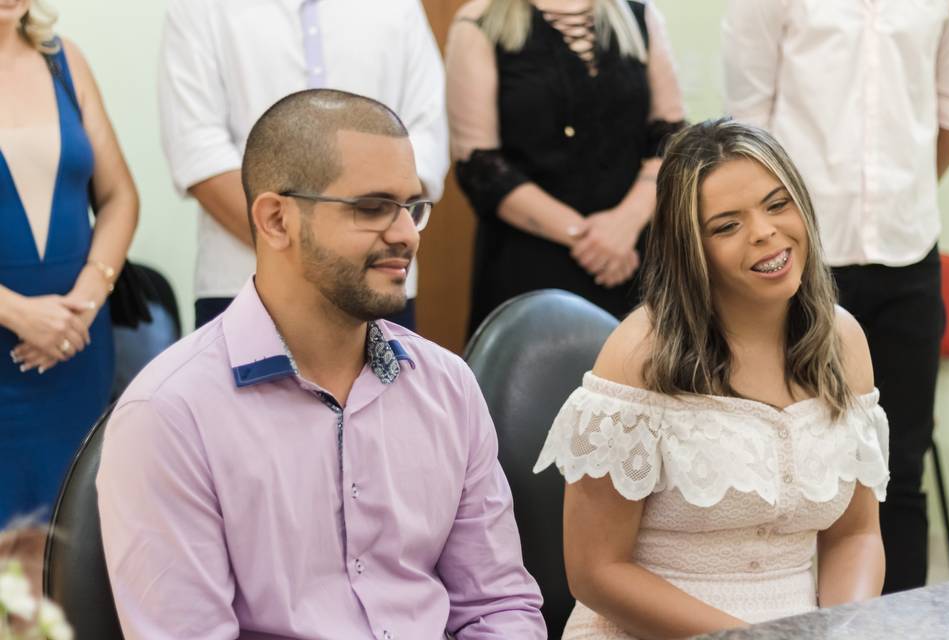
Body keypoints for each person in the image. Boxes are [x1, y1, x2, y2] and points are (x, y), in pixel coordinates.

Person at [97, 89, 547, 640]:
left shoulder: (447, 385)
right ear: (277, 220)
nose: (406, 233)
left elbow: (497, 606)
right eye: (372, 207)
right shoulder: (169, 414)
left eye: (412, 207)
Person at [534, 119, 890, 638]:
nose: (765, 232)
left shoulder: (844, 340)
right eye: (727, 226)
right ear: (689, 250)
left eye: (777, 204)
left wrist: (840, 626)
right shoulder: (640, 353)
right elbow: (596, 571)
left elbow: (855, 534)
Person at [723, 0, 949, 593]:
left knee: (899, 468)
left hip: (907, 248)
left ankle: (899, 626)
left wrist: (894, 197)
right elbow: (747, 129)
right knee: (792, 466)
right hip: (797, 260)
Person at [158, 0, 448, 330]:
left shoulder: (398, 7)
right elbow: (199, 153)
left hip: (379, 279)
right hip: (244, 281)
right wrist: (314, 255)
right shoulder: (199, 9)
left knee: (391, 382)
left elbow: (427, 142)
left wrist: (350, 245)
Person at [446, 0, 684, 331]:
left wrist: (624, 224)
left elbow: (672, 139)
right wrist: (586, 238)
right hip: (531, 264)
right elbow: (481, 168)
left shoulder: (639, 14)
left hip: (636, 257)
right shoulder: (479, 21)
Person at [0, 0, 138, 525]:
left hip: (78, 348)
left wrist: (81, 304)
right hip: (10, 354)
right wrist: (18, 313)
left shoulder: (64, 61)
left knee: (77, 538)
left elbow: (121, 197)